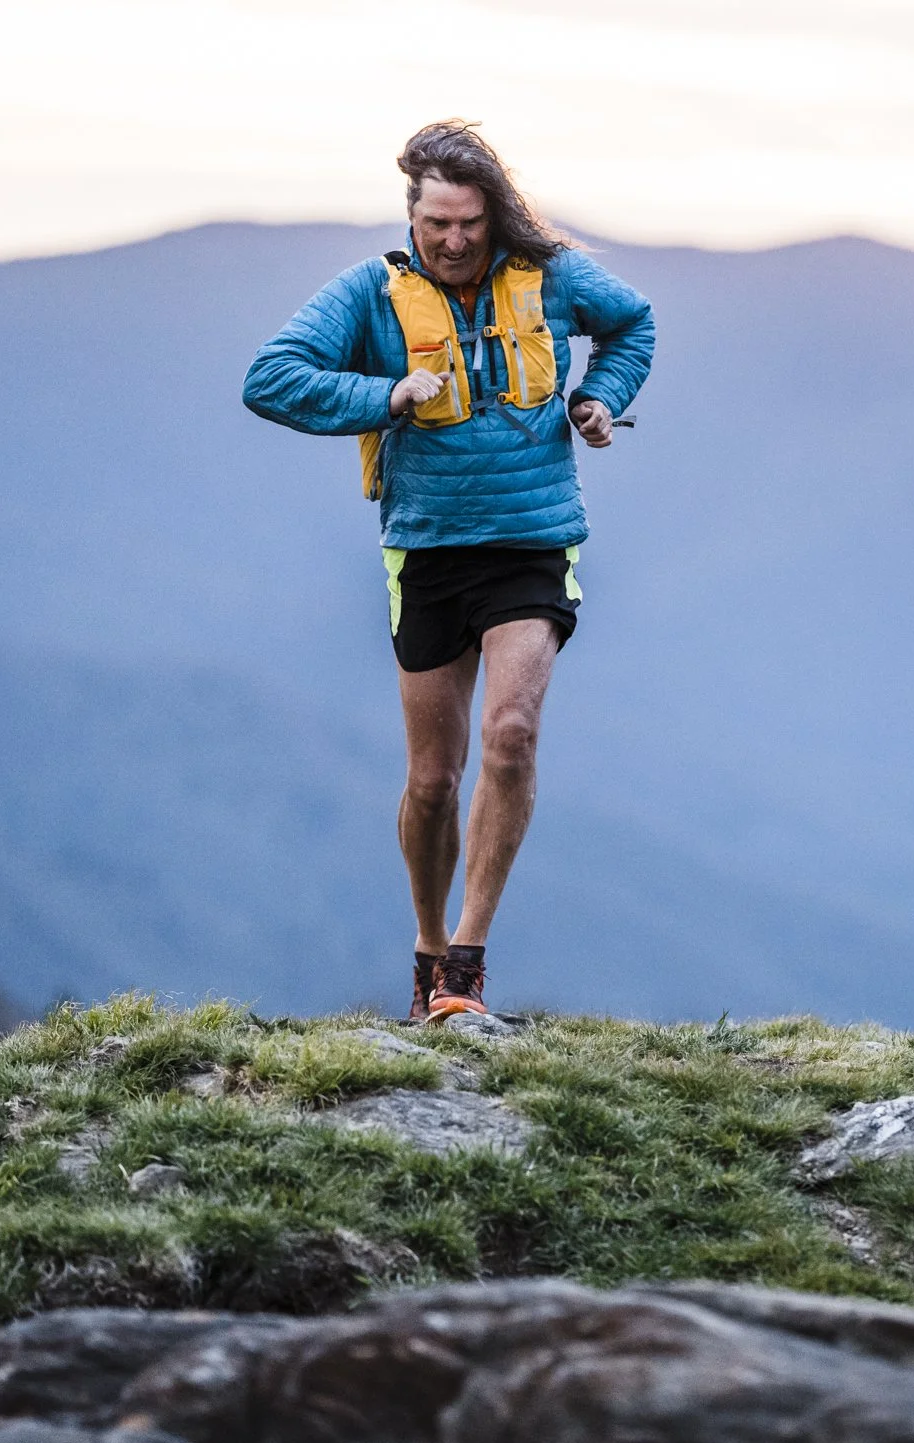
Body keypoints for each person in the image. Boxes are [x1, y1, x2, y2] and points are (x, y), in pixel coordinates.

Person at [243, 121, 655, 1023]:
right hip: (427, 550)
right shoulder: (372, 293)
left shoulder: (546, 279)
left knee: (510, 734)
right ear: (412, 218)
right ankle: (428, 950)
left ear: (494, 216)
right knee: (433, 779)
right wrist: (383, 396)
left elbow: (633, 324)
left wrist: (598, 399)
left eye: (470, 222)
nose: (456, 241)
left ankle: (466, 965)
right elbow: (269, 377)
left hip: (532, 542)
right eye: (437, 224)